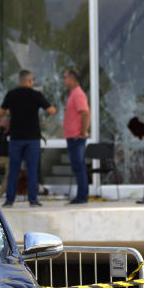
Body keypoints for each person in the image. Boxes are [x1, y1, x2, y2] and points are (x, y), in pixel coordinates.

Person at [0, 69, 57, 207]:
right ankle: (33, 200)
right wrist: (54, 107)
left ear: (20, 81)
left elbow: (1, 112)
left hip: (16, 138)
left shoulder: (11, 94)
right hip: (32, 138)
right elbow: (51, 110)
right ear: (30, 81)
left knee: (13, 170)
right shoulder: (36, 95)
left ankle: (9, 200)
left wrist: (11, 110)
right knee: (32, 170)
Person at [63, 67, 90, 204]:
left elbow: (85, 113)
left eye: (65, 77)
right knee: (76, 166)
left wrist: (82, 132)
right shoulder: (72, 93)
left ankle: (82, 196)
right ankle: (81, 195)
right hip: (72, 137)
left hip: (76, 137)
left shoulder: (78, 94)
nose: (63, 80)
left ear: (72, 79)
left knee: (79, 166)